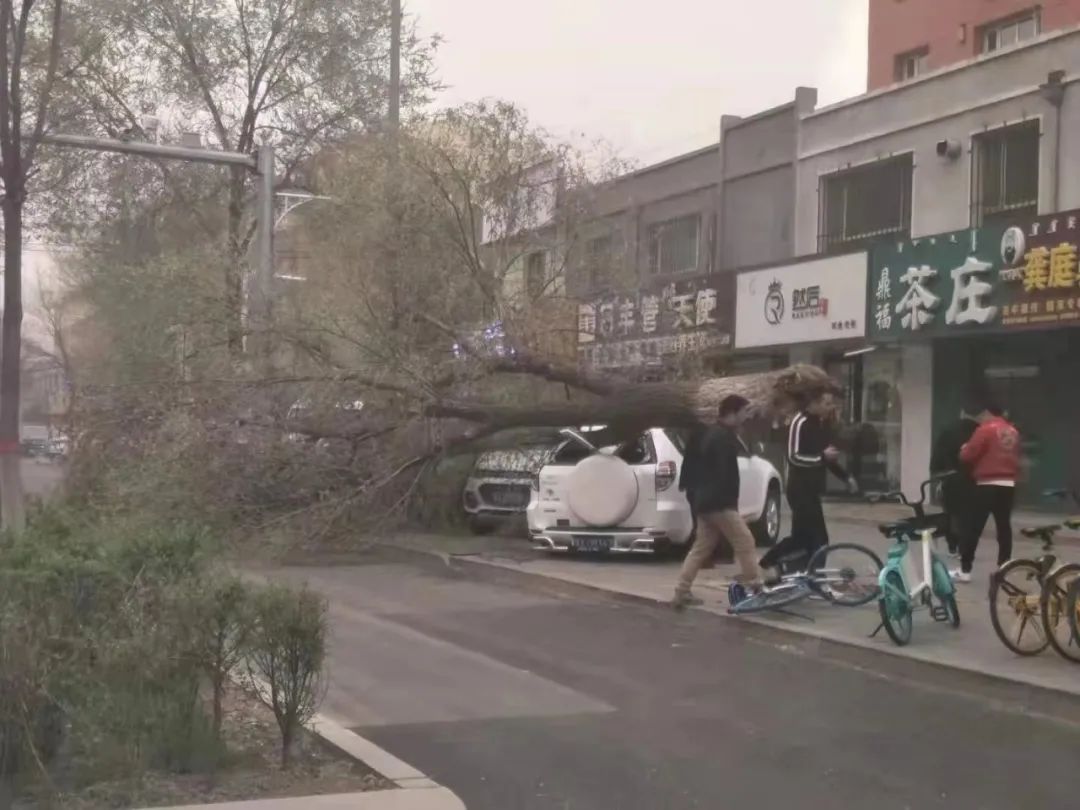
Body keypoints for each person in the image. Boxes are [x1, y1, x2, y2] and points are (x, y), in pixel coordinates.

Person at [672, 395, 763, 609]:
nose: (746, 416)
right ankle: (756, 588)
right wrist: (728, 504)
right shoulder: (722, 437)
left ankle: (681, 592)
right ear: (733, 412)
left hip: (705, 501)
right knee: (745, 541)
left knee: (701, 547)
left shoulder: (713, 433)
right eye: (744, 411)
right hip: (719, 503)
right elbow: (723, 474)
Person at [759, 392, 858, 576]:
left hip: (812, 490)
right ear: (814, 402)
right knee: (819, 539)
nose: (831, 407)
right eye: (827, 403)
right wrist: (822, 457)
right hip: (799, 490)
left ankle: (784, 569)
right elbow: (793, 457)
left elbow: (827, 458)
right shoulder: (800, 421)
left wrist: (846, 477)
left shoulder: (821, 424)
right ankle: (813, 577)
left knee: (802, 538)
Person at [953, 403, 1021, 583]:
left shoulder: (986, 429)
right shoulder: (1013, 431)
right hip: (1008, 484)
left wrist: (963, 448)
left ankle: (965, 569)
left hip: (987, 484)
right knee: (1004, 527)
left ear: (988, 413)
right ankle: (1004, 567)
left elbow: (968, 455)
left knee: (973, 527)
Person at [930, 407, 978, 557]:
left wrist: (937, 474)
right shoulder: (981, 432)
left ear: (962, 412)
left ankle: (953, 545)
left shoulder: (948, 431)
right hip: (973, 479)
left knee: (952, 514)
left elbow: (938, 457)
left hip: (951, 478)